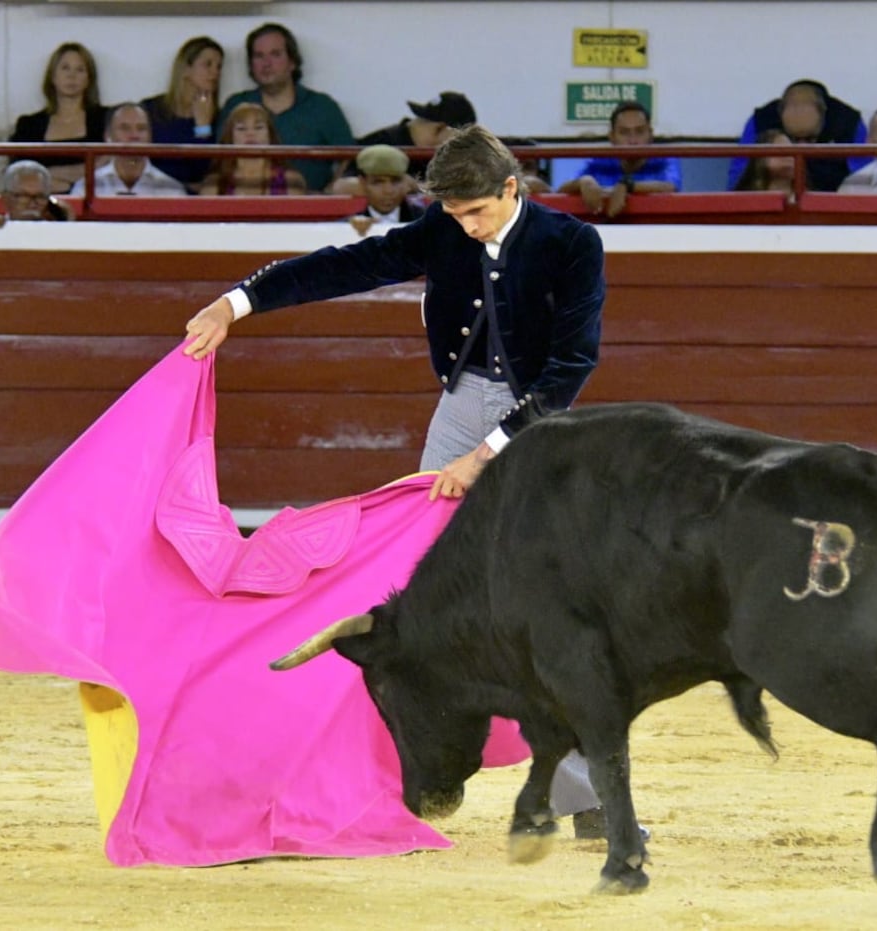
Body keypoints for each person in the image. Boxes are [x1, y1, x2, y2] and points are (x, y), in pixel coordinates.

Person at [182, 124, 613, 836]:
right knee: (418, 595)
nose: (465, 229)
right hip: (459, 407)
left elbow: (569, 368)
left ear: (512, 188)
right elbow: (346, 265)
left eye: (476, 212)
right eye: (453, 215)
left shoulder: (572, 245)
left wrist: (487, 452)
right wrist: (237, 303)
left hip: (538, 425)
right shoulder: (442, 229)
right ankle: (412, 771)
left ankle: (585, 793)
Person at [218, 22, 354, 192]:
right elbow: (218, 159)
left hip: (312, 210)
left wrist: (328, 194)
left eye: (275, 54)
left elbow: (349, 158)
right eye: (259, 56)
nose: (266, 64)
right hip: (245, 206)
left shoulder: (322, 106)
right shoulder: (236, 105)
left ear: (292, 62)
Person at [726, 79, 869, 193]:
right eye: (793, 140)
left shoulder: (850, 123)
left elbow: (863, 178)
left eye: (810, 139)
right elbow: (739, 178)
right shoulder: (761, 121)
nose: (802, 148)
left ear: (824, 115)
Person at [9, 42, 108, 195]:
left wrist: (48, 174)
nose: (71, 76)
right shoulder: (29, 125)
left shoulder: (106, 119)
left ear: (89, 79)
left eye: (80, 70)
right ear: (53, 76)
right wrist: (84, 172)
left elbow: (108, 167)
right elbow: (19, 175)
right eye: (65, 68)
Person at [556, 101, 681, 218]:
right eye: (624, 132)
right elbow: (560, 190)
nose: (633, 141)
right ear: (612, 137)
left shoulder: (664, 159)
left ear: (650, 134)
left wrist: (627, 185)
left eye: (640, 131)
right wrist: (583, 182)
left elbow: (670, 186)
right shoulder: (599, 163)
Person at [141, 36, 223, 192]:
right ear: (186, 68)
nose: (215, 73)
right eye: (208, 65)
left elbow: (203, 172)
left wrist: (203, 127)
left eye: (219, 67)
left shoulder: (218, 117)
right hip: (152, 193)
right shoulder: (152, 110)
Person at [69, 102, 187, 197]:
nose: (134, 135)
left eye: (141, 128)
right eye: (125, 128)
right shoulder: (86, 188)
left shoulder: (171, 190)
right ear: (108, 136)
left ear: (150, 136)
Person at [199, 102, 306, 196]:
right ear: (231, 137)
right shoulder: (214, 185)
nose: (250, 134)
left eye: (258, 127)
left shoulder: (291, 182)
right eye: (241, 129)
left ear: (270, 135)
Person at [346, 144, 425, 236]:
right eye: (378, 182)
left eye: (395, 181)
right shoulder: (346, 226)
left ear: (405, 182)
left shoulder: (427, 220)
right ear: (363, 183)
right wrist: (350, 232)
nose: (388, 191)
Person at [0, 160, 74, 232]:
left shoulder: (56, 230)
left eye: (40, 196)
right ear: (5, 199)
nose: (32, 203)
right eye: (24, 196)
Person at [732, 129, 794, 193]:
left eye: (792, 152)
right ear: (761, 158)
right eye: (781, 152)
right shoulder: (742, 197)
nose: (789, 157)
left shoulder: (803, 196)